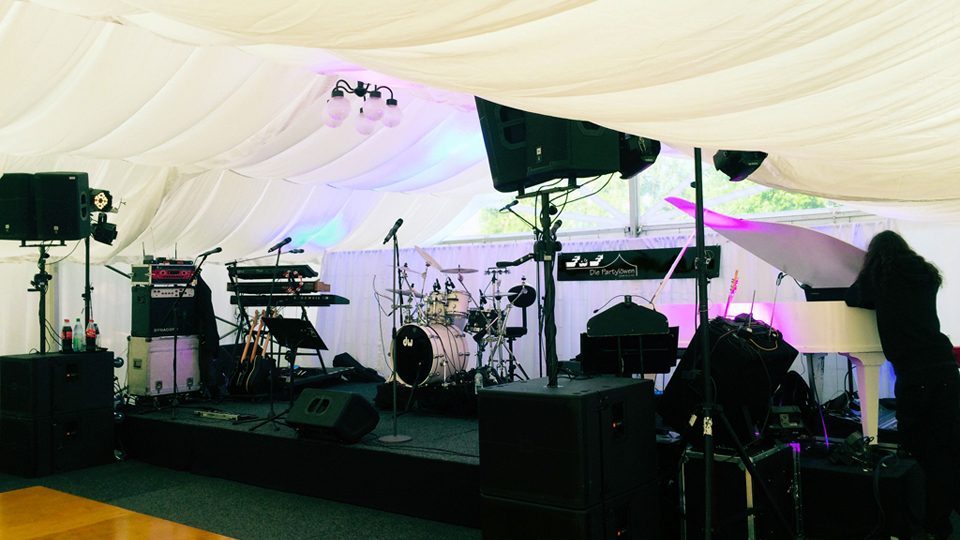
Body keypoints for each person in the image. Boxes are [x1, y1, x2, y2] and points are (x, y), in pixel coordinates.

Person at [844, 230, 960, 539]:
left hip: (915, 374)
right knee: (945, 449)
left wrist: (865, 271)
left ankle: (926, 524)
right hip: (946, 367)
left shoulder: (880, 279)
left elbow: (852, 297)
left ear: (876, 256)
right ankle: (940, 523)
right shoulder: (926, 275)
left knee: (916, 451)